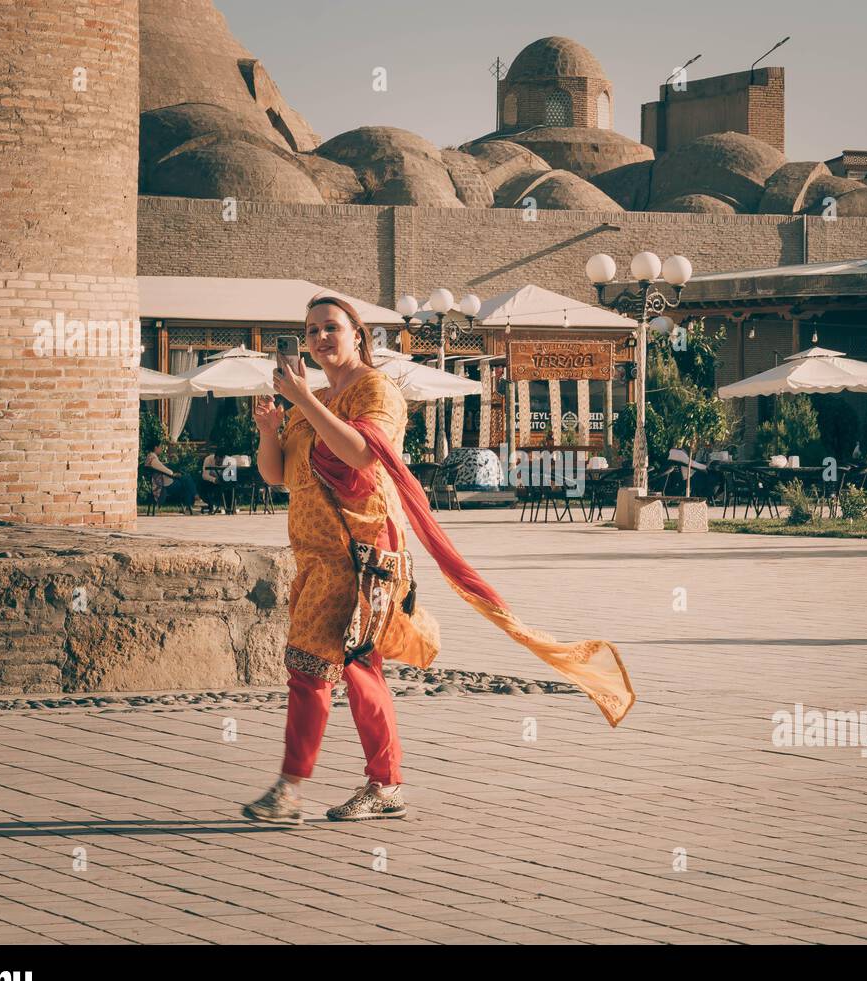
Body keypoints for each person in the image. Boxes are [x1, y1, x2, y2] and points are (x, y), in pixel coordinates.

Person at [241, 296, 636, 827]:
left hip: (361, 557)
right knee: (355, 667)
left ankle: (293, 790)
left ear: (357, 334)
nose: (318, 339)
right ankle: (382, 784)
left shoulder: (373, 391)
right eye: (310, 330)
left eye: (330, 327)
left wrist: (306, 402)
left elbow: (362, 454)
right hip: (316, 560)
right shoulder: (310, 398)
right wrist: (271, 430)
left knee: (316, 668)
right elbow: (276, 475)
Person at [145, 444, 196, 512]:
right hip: (164, 484)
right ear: (155, 447)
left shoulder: (150, 457)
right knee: (186, 482)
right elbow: (162, 468)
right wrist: (173, 474)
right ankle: (193, 498)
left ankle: (191, 501)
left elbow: (160, 466)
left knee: (186, 479)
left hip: (163, 480)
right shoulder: (153, 458)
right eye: (160, 447)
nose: (161, 449)